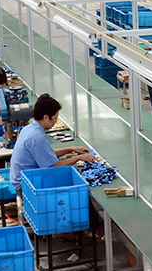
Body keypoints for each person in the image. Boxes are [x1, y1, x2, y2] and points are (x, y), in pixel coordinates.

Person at [9, 94, 95, 222]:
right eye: (55, 118)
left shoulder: (29, 129)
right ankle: (91, 226)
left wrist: (71, 149)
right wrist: (78, 158)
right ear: (45, 117)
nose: (55, 122)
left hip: (23, 182)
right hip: (27, 188)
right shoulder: (37, 137)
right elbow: (53, 166)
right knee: (77, 190)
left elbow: (45, 154)